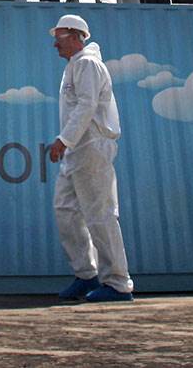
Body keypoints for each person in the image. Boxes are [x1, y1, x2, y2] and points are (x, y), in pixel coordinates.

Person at [48, 15, 134, 303]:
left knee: (100, 214)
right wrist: (69, 143)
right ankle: (87, 274)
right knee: (66, 210)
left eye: (58, 37)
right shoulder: (74, 66)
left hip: (92, 146)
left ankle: (118, 283)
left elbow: (87, 104)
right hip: (77, 150)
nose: (54, 44)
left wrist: (64, 139)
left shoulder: (87, 63)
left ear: (75, 36)